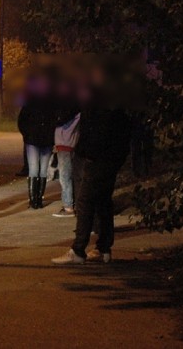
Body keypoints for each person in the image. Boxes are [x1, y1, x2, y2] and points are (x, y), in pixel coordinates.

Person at [52, 105, 132, 264]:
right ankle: (103, 248)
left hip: (98, 157)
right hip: (108, 156)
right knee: (103, 201)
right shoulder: (114, 101)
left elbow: (97, 129)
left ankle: (78, 250)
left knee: (84, 201)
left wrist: (89, 153)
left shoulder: (99, 102)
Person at [17, 73, 62, 209]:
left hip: (35, 140)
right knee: (39, 170)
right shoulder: (51, 103)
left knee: (36, 169)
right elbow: (22, 121)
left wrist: (27, 134)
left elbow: (22, 120)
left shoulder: (32, 102)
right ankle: (37, 199)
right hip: (42, 140)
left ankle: (34, 200)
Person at [52, 112, 80, 217]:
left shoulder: (69, 109)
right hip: (68, 144)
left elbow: (60, 120)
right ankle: (71, 204)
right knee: (69, 176)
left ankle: (68, 207)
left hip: (65, 144)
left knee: (65, 177)